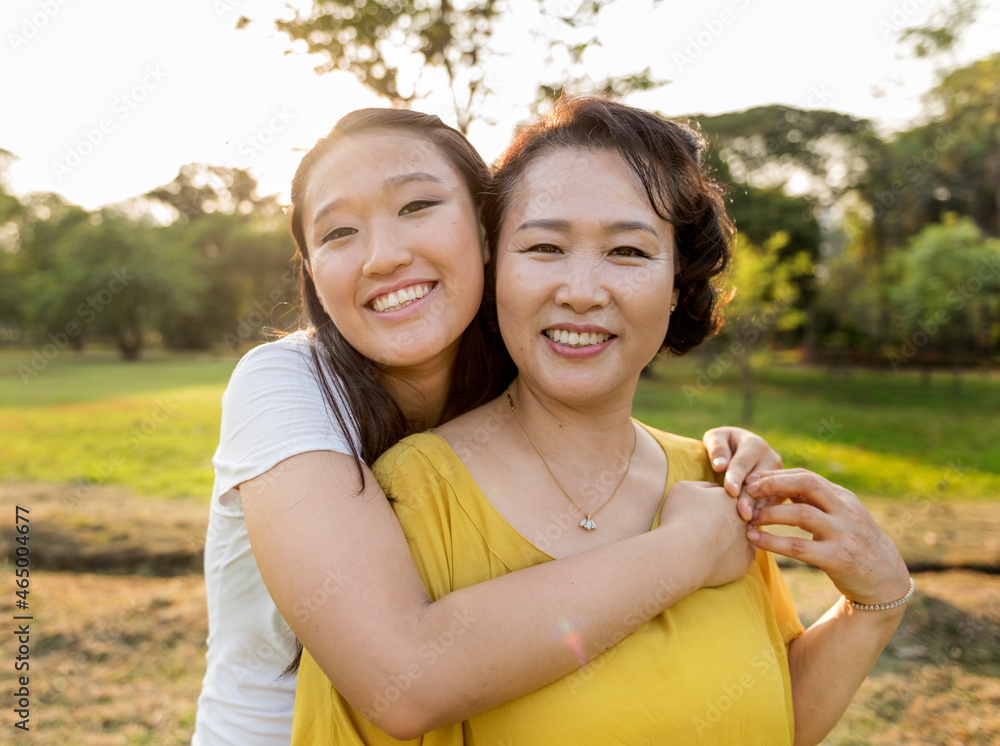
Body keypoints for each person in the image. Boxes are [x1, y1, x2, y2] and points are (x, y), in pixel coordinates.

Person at [291, 98, 912, 745]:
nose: (583, 291)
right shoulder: (412, 500)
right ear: (492, 265)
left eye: (627, 251)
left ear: (677, 281)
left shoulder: (721, 482)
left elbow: (766, 718)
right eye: (544, 246)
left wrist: (873, 605)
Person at [192, 108, 783, 744]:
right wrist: (690, 547)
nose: (384, 256)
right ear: (310, 272)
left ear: (485, 230)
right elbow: (403, 679)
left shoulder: (518, 356)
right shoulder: (286, 385)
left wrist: (716, 454)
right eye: (338, 233)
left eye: (416, 205)